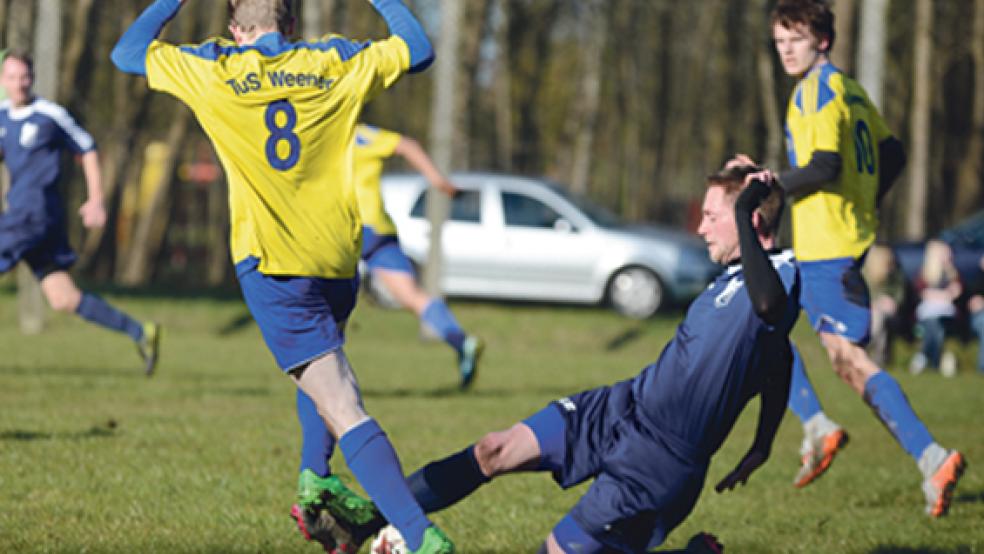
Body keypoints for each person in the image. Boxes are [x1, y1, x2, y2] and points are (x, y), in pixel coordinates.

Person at [308, 165, 800, 554]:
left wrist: (740, 214)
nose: (700, 227)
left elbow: (771, 312)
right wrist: (762, 445)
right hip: (620, 408)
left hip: (660, 464)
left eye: (712, 216)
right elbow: (779, 359)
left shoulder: (782, 276)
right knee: (493, 450)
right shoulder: (736, 274)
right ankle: (364, 522)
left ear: (751, 220)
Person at [111, 1, 453, 553]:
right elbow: (418, 48)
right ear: (293, 24)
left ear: (235, 30)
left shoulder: (215, 68)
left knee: (341, 402)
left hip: (272, 264)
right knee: (325, 369)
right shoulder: (335, 59)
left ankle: (422, 539)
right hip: (338, 256)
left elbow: (127, 53)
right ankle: (314, 476)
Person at [730, 0, 965, 516]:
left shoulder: (813, 93)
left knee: (848, 360)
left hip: (825, 249)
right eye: (780, 42)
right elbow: (894, 153)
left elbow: (826, 165)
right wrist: (867, 198)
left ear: (823, 41)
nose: (787, 50)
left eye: (796, 39)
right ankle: (819, 427)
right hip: (837, 240)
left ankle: (929, 457)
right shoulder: (850, 89)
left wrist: (768, 184)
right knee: (761, 321)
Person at [0, 51, 161, 374]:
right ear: (3, 81)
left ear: (32, 78)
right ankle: (141, 332)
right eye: (12, 77)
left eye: (24, 77)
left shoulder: (50, 115)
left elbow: (87, 148)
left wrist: (96, 198)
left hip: (36, 216)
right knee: (63, 298)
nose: (19, 84)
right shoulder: (2, 116)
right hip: (25, 217)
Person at [353, 123, 484, 387]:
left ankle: (322, 372)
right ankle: (462, 341)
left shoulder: (329, 129)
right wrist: (438, 180)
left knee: (319, 296)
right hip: (379, 227)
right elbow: (407, 145)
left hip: (351, 226)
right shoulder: (361, 134)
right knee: (413, 297)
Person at [909, 240, 961, 377]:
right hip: (928, 313)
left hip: (946, 314)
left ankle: (924, 356)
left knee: (937, 327)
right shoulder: (924, 274)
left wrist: (940, 294)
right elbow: (923, 293)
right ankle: (934, 361)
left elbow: (956, 292)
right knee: (934, 327)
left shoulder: (953, 274)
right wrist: (944, 295)